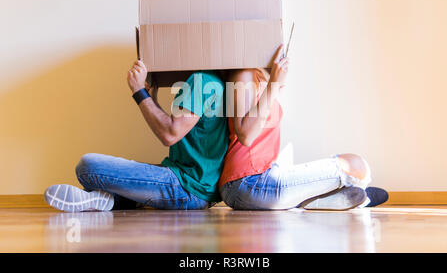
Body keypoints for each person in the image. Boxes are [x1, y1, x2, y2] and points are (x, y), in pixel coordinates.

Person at [44, 60, 229, 212]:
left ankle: (104, 198)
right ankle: (100, 200)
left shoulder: (201, 80)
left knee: (87, 166)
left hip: (186, 187)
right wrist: (151, 100)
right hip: (195, 188)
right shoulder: (214, 81)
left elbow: (170, 134)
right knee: (120, 176)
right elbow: (173, 127)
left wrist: (138, 91)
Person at [219, 45, 387, 210]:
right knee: (356, 165)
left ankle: (319, 201)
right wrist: (274, 85)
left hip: (260, 180)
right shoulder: (243, 74)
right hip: (246, 183)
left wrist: (275, 83)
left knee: (357, 167)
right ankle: (350, 196)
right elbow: (246, 136)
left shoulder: (260, 77)